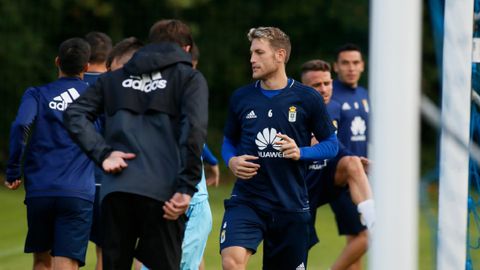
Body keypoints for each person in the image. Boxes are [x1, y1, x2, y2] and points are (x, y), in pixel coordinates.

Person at [64, 19, 208, 270]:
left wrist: (104, 153)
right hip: (163, 193)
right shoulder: (189, 78)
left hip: (117, 188)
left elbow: (74, 114)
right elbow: (194, 131)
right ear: (186, 50)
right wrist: (186, 187)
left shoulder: (115, 79)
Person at [220, 26, 338, 270]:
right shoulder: (241, 98)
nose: (252, 59)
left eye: (259, 52)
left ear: (280, 55)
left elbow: (331, 145)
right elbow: (228, 141)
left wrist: (301, 152)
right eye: (251, 53)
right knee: (232, 262)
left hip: (291, 205)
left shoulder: (308, 98)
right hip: (247, 200)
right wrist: (231, 161)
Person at [5, 37, 94, 270]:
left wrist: (13, 169)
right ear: (86, 67)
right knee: (66, 261)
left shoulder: (36, 94)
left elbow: (20, 125)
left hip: (40, 190)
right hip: (77, 191)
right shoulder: (96, 97)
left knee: (41, 260)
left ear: (57, 62)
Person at [137, 42, 218, 270]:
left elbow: (193, 133)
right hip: (169, 197)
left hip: (186, 198)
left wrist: (210, 160)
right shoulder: (159, 94)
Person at [300, 59, 375, 270]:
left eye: (327, 83)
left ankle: (373, 218)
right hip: (300, 189)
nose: (324, 89)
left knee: (351, 164)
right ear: (304, 88)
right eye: (317, 85)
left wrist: (356, 159)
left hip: (327, 180)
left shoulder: (333, 108)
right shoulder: (291, 111)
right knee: (295, 253)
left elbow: (335, 142)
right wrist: (305, 147)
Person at [330, 43, 370, 270]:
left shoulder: (364, 95)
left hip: (363, 175)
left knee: (356, 239)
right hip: (344, 176)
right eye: (345, 63)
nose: (351, 68)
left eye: (355, 62)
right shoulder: (331, 95)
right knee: (368, 234)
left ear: (362, 66)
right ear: (336, 66)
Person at [83, 30, 113, 270]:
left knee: (60, 255)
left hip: (71, 182)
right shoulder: (116, 89)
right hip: (106, 181)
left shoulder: (67, 87)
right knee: (106, 254)